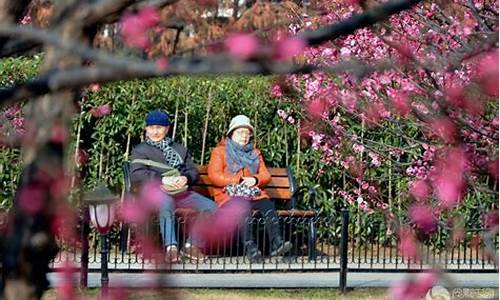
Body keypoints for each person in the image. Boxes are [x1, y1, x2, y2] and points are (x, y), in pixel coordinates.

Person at [130, 110, 217, 262]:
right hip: (155, 193)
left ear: (167, 129)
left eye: (159, 127)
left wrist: (186, 178)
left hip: (181, 192)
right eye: (151, 127)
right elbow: (137, 174)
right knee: (166, 202)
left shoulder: (180, 149)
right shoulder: (140, 150)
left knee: (211, 207)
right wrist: (163, 180)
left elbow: (192, 171)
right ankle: (171, 248)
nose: (155, 131)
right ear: (146, 129)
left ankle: (191, 246)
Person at [207, 115, 292, 261]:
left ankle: (276, 243)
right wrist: (237, 180)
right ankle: (250, 247)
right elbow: (214, 175)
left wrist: (255, 179)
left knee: (268, 205)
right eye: (240, 132)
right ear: (231, 133)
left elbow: (265, 175)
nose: (244, 136)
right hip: (230, 195)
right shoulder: (220, 152)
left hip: (253, 194)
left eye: (247, 133)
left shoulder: (255, 153)